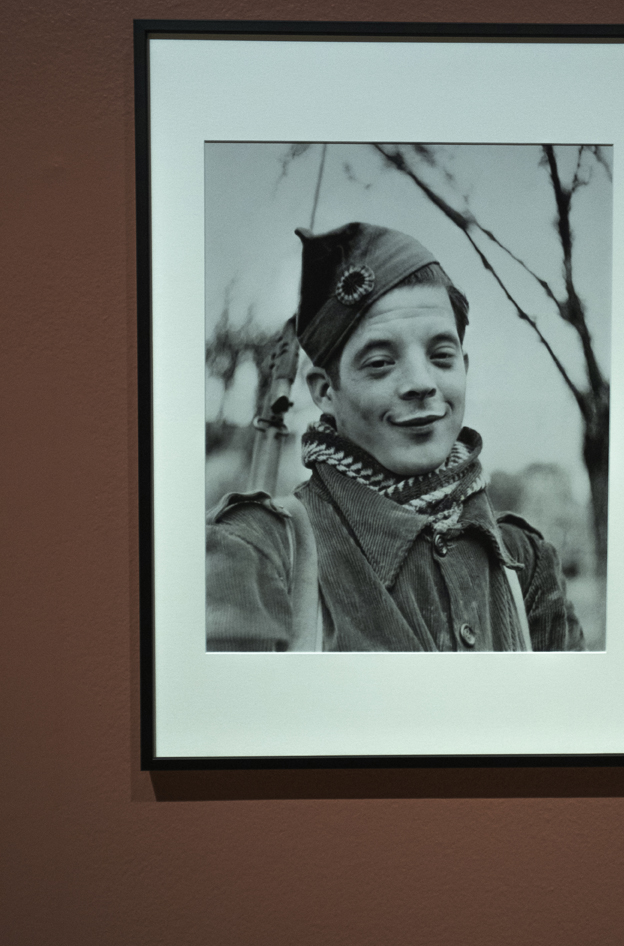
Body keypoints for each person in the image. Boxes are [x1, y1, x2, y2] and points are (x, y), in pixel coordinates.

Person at [206, 221, 584, 652]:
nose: (422, 383)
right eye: (381, 363)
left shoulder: (525, 563)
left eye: (442, 357)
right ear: (326, 391)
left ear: (465, 367)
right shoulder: (258, 550)